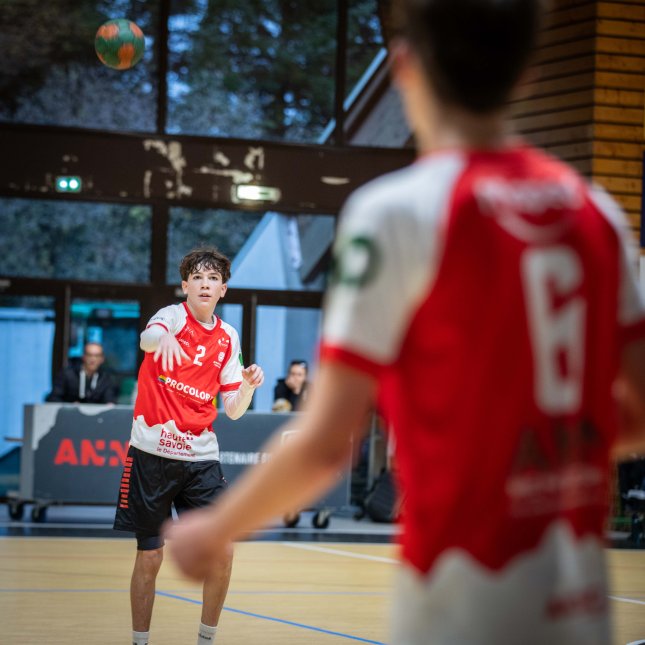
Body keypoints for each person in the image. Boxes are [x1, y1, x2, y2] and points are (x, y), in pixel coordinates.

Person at [164, 1, 645, 643]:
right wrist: (545, 448)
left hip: (459, 598)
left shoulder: (396, 213)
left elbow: (326, 442)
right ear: (528, 72)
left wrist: (216, 527)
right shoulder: (597, 214)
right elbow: (638, 413)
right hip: (579, 606)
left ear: (405, 67)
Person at [113, 247, 264, 645]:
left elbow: (234, 410)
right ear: (185, 286)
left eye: (213, 279)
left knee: (222, 551)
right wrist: (161, 338)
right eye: (197, 277)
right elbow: (147, 339)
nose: (204, 284)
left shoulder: (228, 337)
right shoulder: (171, 317)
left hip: (201, 459)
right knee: (150, 555)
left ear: (223, 290)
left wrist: (248, 387)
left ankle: (205, 640)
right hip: (152, 454)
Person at [45, 342, 118, 404]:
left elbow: (110, 399)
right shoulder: (67, 375)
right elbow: (53, 398)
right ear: (83, 356)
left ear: (102, 359)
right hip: (70, 415)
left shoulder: (106, 378)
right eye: (89, 355)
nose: (93, 359)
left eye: (97, 356)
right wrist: (69, 406)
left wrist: (110, 404)